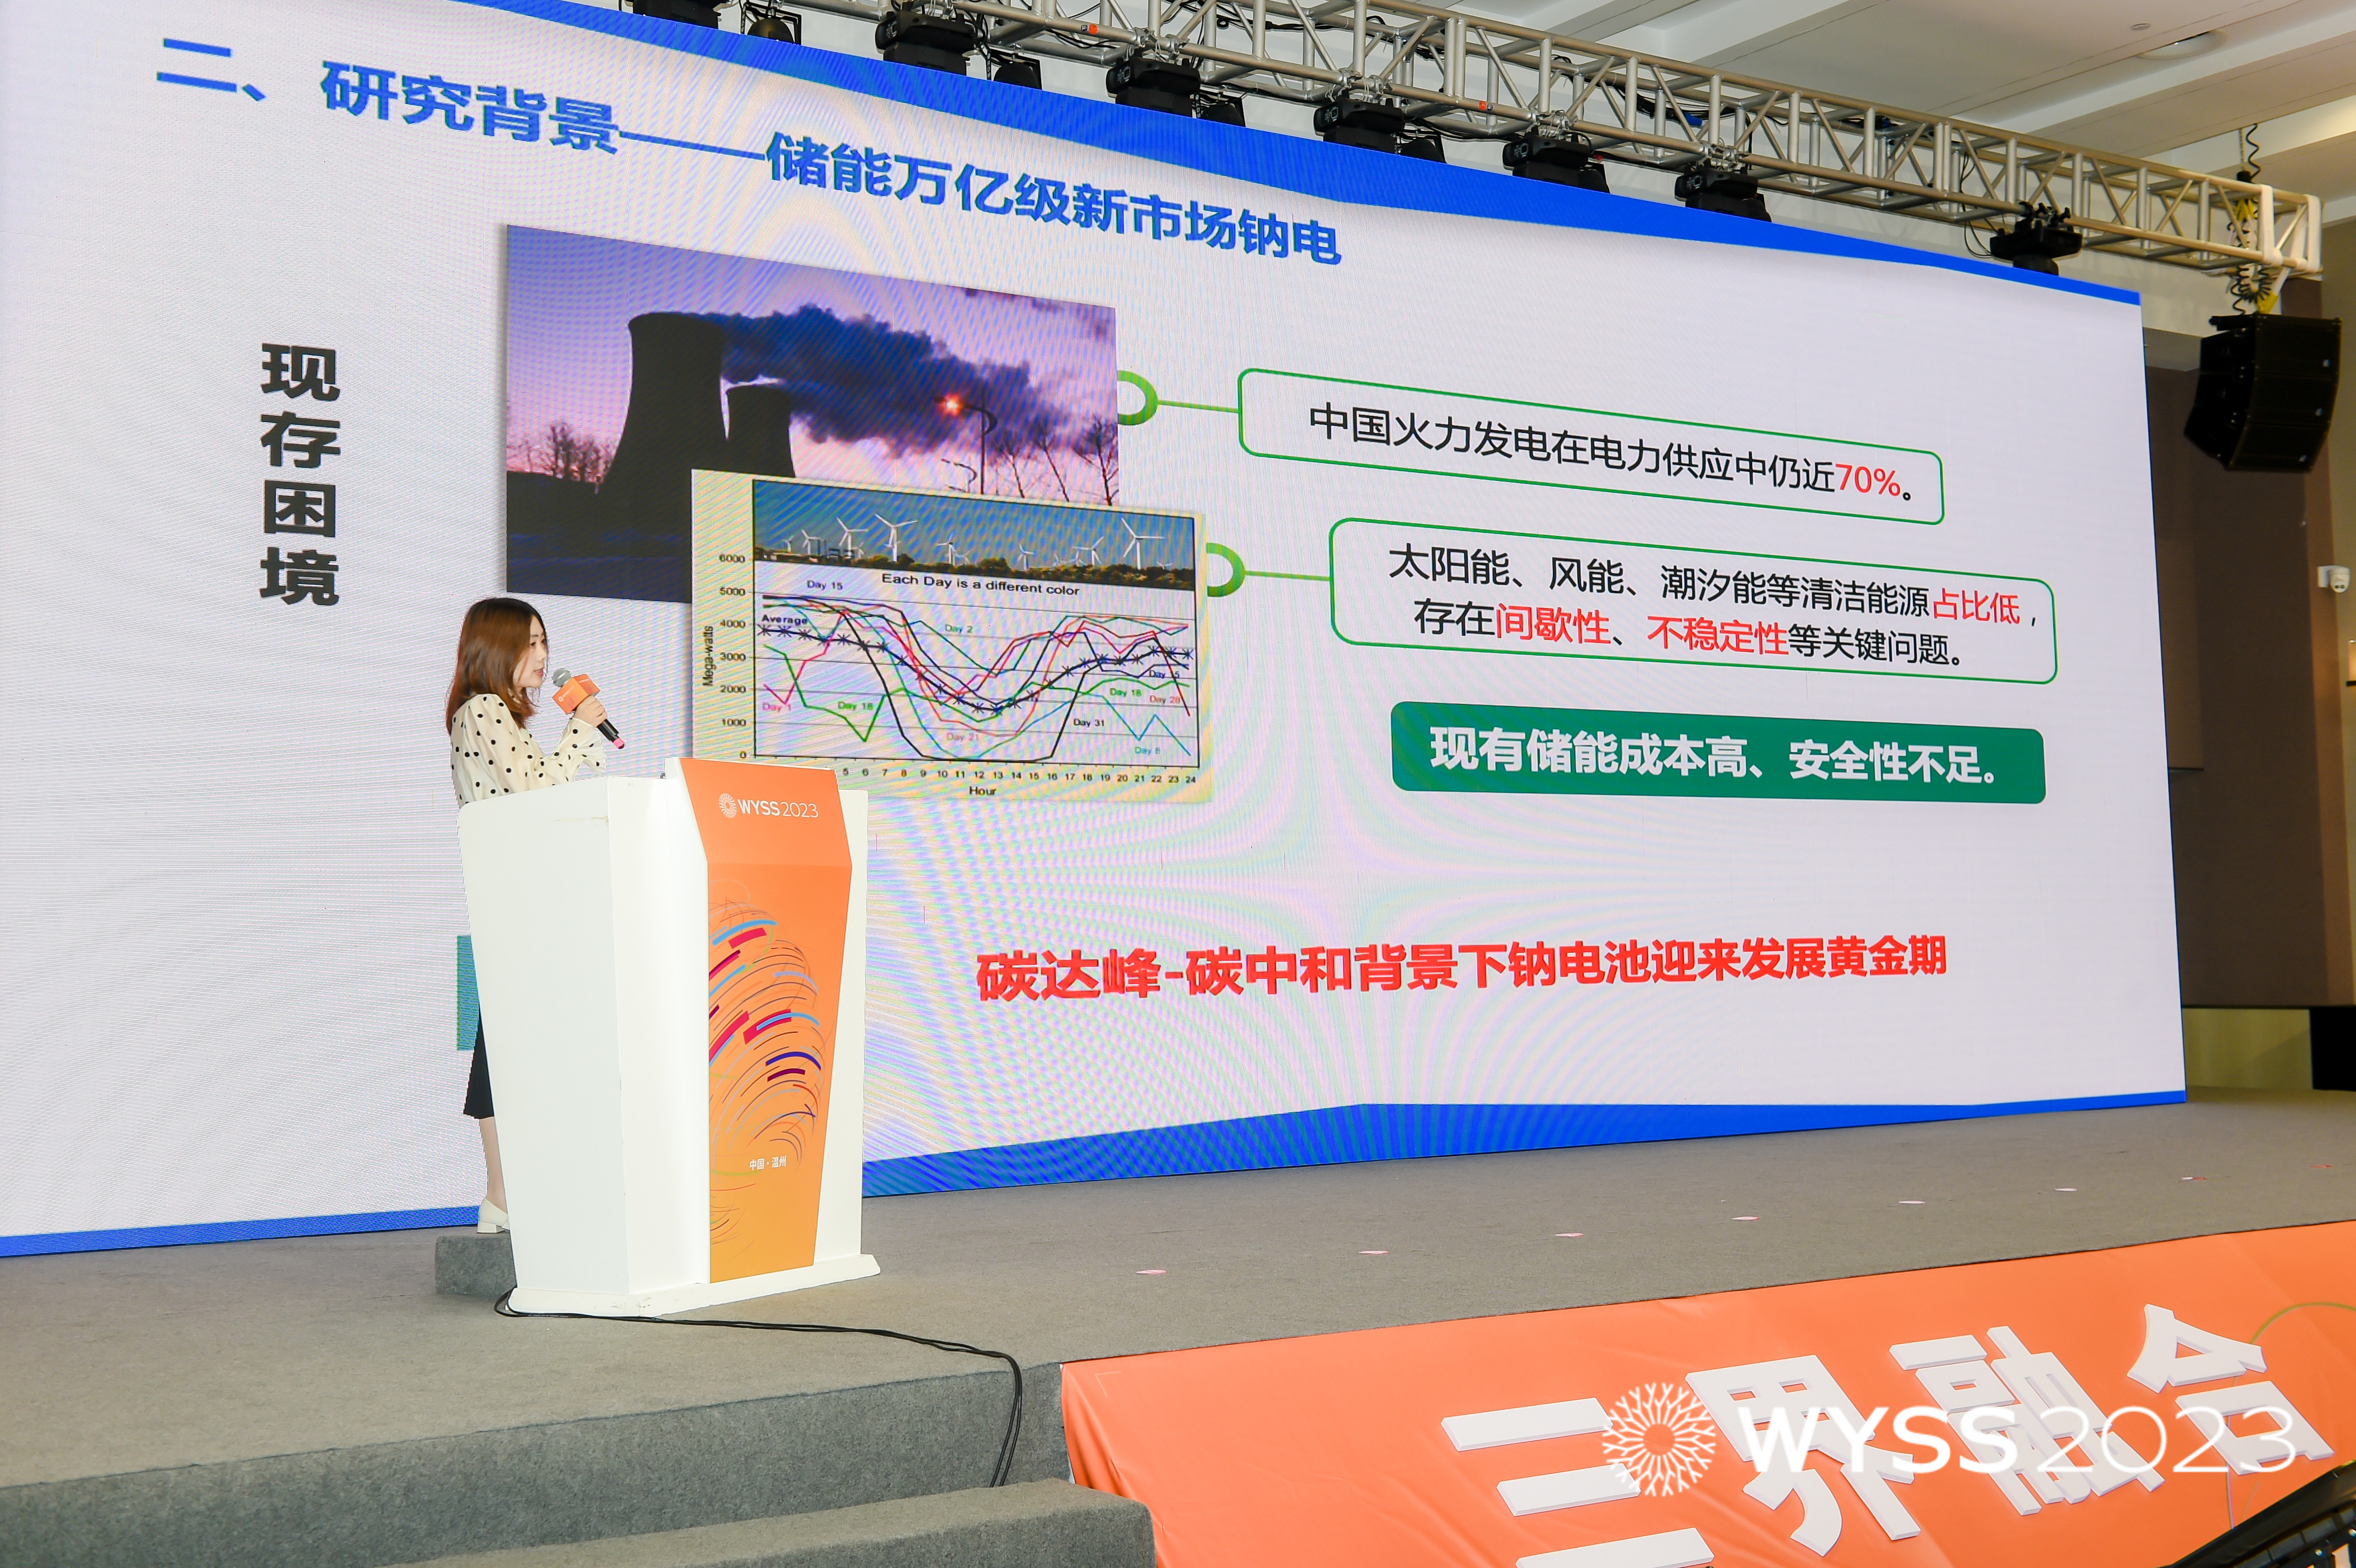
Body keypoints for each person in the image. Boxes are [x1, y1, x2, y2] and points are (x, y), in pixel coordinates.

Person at [445, 597, 612, 1234]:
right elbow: (538, 790)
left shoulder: (503, 718)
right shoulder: (483, 709)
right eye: (530, 642)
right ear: (496, 648)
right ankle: (503, 1193)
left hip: (531, 897)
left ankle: (510, 1193)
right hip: (515, 900)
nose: (542, 655)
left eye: (545, 642)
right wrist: (579, 732)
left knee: (514, 1043)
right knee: (504, 1046)